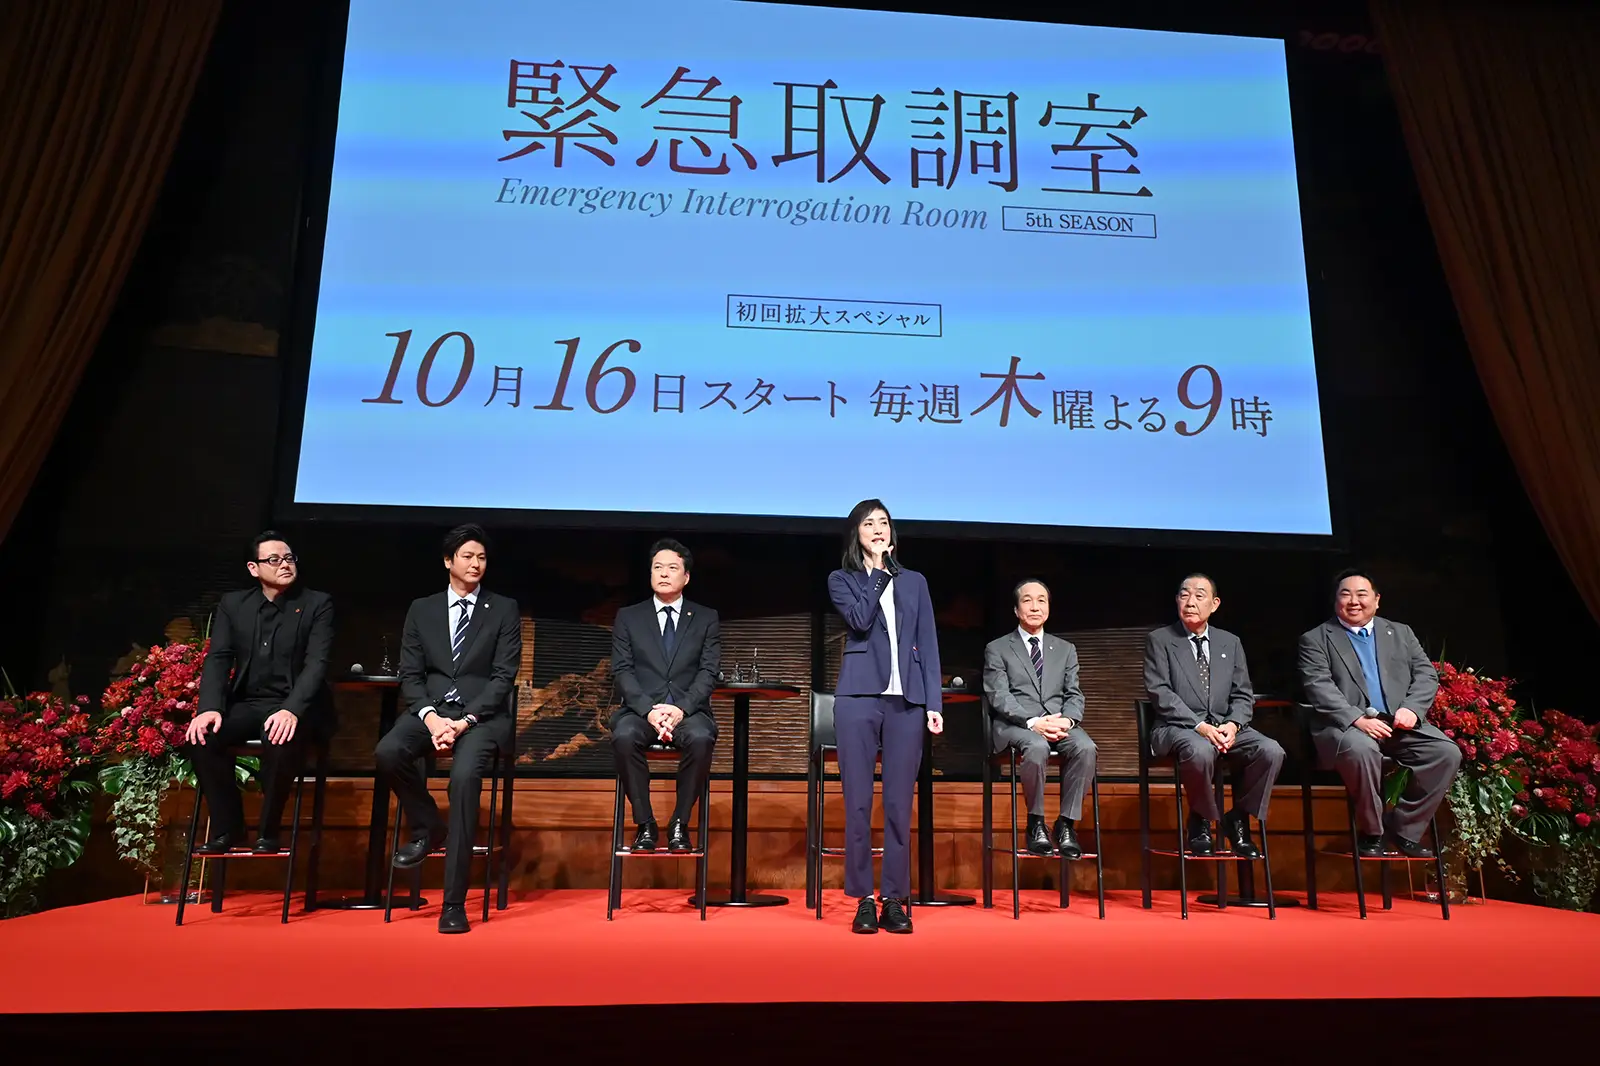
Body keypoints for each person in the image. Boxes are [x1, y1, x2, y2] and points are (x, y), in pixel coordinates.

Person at [376, 524, 521, 933]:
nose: (476, 564)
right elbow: (410, 674)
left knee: (464, 778)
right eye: (467, 556)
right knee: (388, 752)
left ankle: (453, 903)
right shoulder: (422, 609)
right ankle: (430, 826)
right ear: (448, 561)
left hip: (481, 717)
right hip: (433, 712)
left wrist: (464, 721)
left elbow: (503, 677)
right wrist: (431, 717)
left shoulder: (503, 608)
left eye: (482, 558)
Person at [827, 499, 943, 934]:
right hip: (858, 698)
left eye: (883, 522)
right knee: (858, 803)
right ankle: (862, 899)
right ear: (856, 534)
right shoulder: (843, 579)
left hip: (906, 702)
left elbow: (927, 642)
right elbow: (859, 620)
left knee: (898, 804)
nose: (877, 528)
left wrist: (934, 703)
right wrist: (878, 572)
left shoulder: (915, 581)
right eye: (868, 523)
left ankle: (894, 899)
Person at [187, 531, 334, 854]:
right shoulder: (234, 605)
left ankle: (269, 831)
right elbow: (219, 657)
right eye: (274, 560)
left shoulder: (316, 604)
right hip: (248, 702)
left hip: (295, 705)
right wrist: (209, 707)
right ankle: (229, 828)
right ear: (254, 568)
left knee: (279, 737)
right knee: (202, 738)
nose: (285, 565)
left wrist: (291, 709)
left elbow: (317, 664)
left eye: (289, 558)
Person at [1298, 569, 1460, 858]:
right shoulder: (1315, 639)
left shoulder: (1400, 633)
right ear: (1335, 601)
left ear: (1376, 600)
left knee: (1446, 753)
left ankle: (1403, 829)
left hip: (1397, 723)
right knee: (1362, 750)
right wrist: (1357, 719)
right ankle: (1372, 832)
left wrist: (1412, 708)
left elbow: (1425, 674)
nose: (1354, 601)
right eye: (1345, 594)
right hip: (1345, 725)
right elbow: (1317, 685)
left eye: (1362, 594)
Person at [1143, 573, 1283, 855]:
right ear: (1177, 600)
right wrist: (1200, 726)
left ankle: (1238, 817)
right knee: (1200, 749)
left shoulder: (1229, 642)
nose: (1190, 602)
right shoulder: (1160, 640)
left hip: (1223, 727)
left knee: (1271, 751)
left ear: (1214, 604)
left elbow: (1243, 694)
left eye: (1199, 596)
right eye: (1184, 595)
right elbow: (1160, 692)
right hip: (1177, 727)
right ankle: (1201, 818)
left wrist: (1232, 724)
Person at [609, 538, 720, 853]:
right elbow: (622, 671)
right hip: (641, 710)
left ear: (686, 577)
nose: (664, 573)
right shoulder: (628, 617)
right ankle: (645, 824)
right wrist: (649, 711)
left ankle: (679, 824)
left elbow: (708, 671)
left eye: (672, 568)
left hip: (688, 710)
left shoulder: (705, 618)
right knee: (624, 736)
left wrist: (681, 709)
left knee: (701, 738)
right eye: (657, 567)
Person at [981, 579, 1096, 857]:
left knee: (1086, 748)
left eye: (1041, 600)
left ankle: (1066, 824)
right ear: (1016, 610)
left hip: (1057, 722)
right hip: (1016, 724)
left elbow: (1075, 694)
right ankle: (1036, 823)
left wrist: (1068, 721)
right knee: (1037, 746)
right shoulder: (997, 648)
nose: (1035, 607)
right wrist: (1033, 722)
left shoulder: (1065, 649)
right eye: (1027, 600)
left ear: (1049, 607)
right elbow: (999, 696)